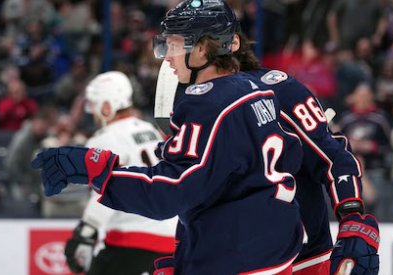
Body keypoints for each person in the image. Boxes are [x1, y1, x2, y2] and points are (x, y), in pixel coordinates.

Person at [32, 1, 306, 274]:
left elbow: (172, 190)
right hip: (273, 251)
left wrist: (93, 169)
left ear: (202, 49)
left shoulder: (209, 103)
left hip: (236, 259)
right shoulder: (257, 91)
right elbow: (276, 161)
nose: (167, 56)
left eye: (174, 45)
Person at [229, 33, 380, 274]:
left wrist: (350, 213)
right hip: (230, 253)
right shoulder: (193, 105)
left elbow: (333, 156)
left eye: (191, 43)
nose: (172, 56)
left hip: (300, 256)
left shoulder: (277, 88)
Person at [63, 71, 177, 275]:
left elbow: (107, 189)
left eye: (95, 105)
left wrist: (86, 231)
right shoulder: (149, 129)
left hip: (132, 240)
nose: (94, 112)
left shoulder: (103, 139)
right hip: (171, 239)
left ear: (107, 106)